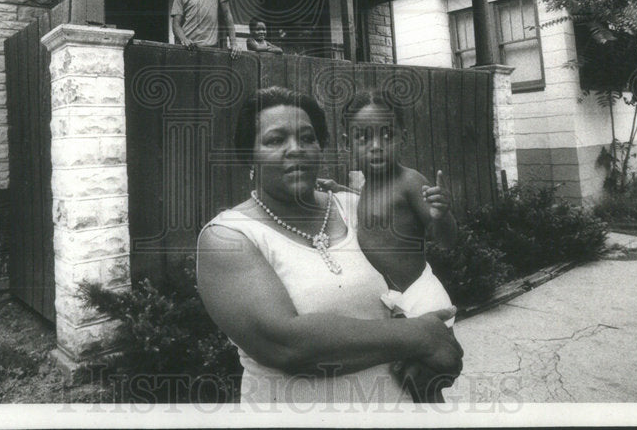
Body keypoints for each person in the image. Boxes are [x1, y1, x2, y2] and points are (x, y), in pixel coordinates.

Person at [196, 87, 463, 404]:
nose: (296, 149)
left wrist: (429, 364)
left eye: (308, 138)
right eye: (275, 139)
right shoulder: (228, 237)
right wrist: (423, 336)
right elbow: (287, 345)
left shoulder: (354, 207)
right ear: (248, 154)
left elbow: (407, 285)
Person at [317, 91, 459, 401]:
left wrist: (442, 215)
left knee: (426, 381)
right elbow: (367, 207)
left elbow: (447, 241)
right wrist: (336, 188)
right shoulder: (366, 185)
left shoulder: (409, 182)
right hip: (396, 304)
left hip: (421, 297)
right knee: (405, 385)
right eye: (363, 137)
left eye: (387, 134)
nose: (376, 145)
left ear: (403, 137)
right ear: (347, 143)